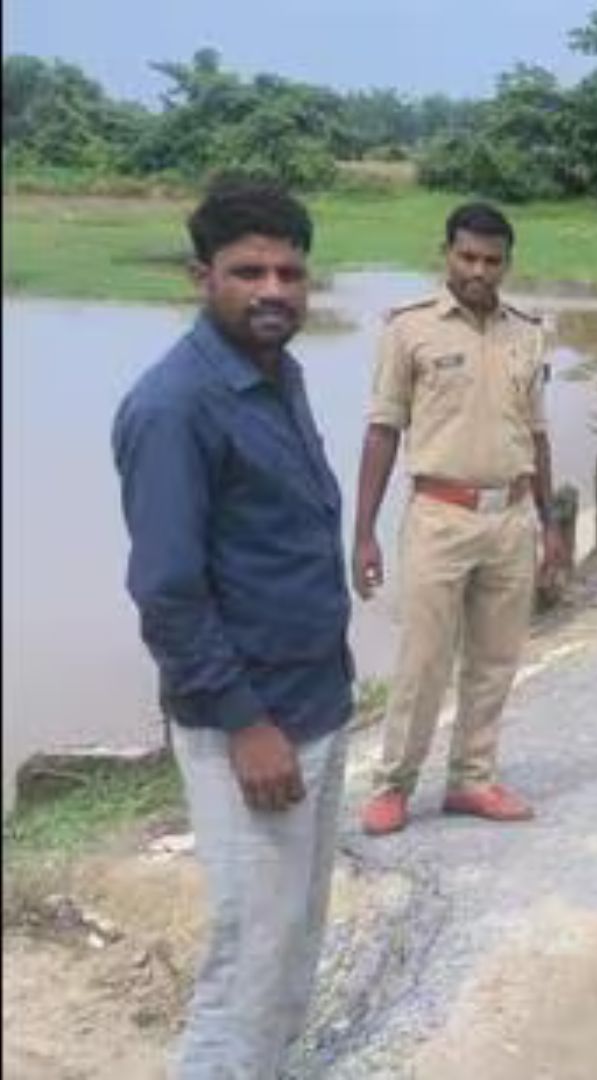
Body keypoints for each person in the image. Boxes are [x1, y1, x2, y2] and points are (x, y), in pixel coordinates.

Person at [113, 181, 352, 1077]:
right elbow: (168, 593)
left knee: (291, 942)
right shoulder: (174, 408)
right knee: (246, 966)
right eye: (248, 271)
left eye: (290, 271)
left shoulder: (274, 373)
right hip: (251, 727)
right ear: (200, 276)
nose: (273, 290)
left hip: (313, 702)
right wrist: (247, 723)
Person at [355, 201, 564, 836]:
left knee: (496, 660)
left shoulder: (527, 333)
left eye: (491, 261)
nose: (478, 271)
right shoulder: (409, 330)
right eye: (467, 257)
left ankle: (472, 781)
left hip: (510, 518)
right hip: (439, 518)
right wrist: (362, 531)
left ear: (507, 264)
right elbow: (383, 430)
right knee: (423, 661)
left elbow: (538, 436)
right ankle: (393, 784)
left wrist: (550, 526)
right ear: (446, 253)